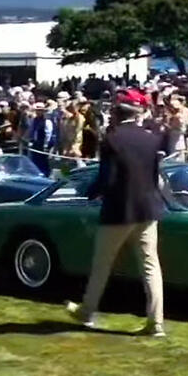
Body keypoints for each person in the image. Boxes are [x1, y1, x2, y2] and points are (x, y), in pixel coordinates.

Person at [66, 89, 166, 338]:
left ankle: (87, 312)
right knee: (151, 266)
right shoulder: (151, 138)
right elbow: (154, 177)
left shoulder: (111, 139)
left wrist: (89, 192)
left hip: (119, 210)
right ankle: (156, 323)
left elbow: (107, 178)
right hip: (146, 209)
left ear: (118, 112)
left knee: (102, 264)